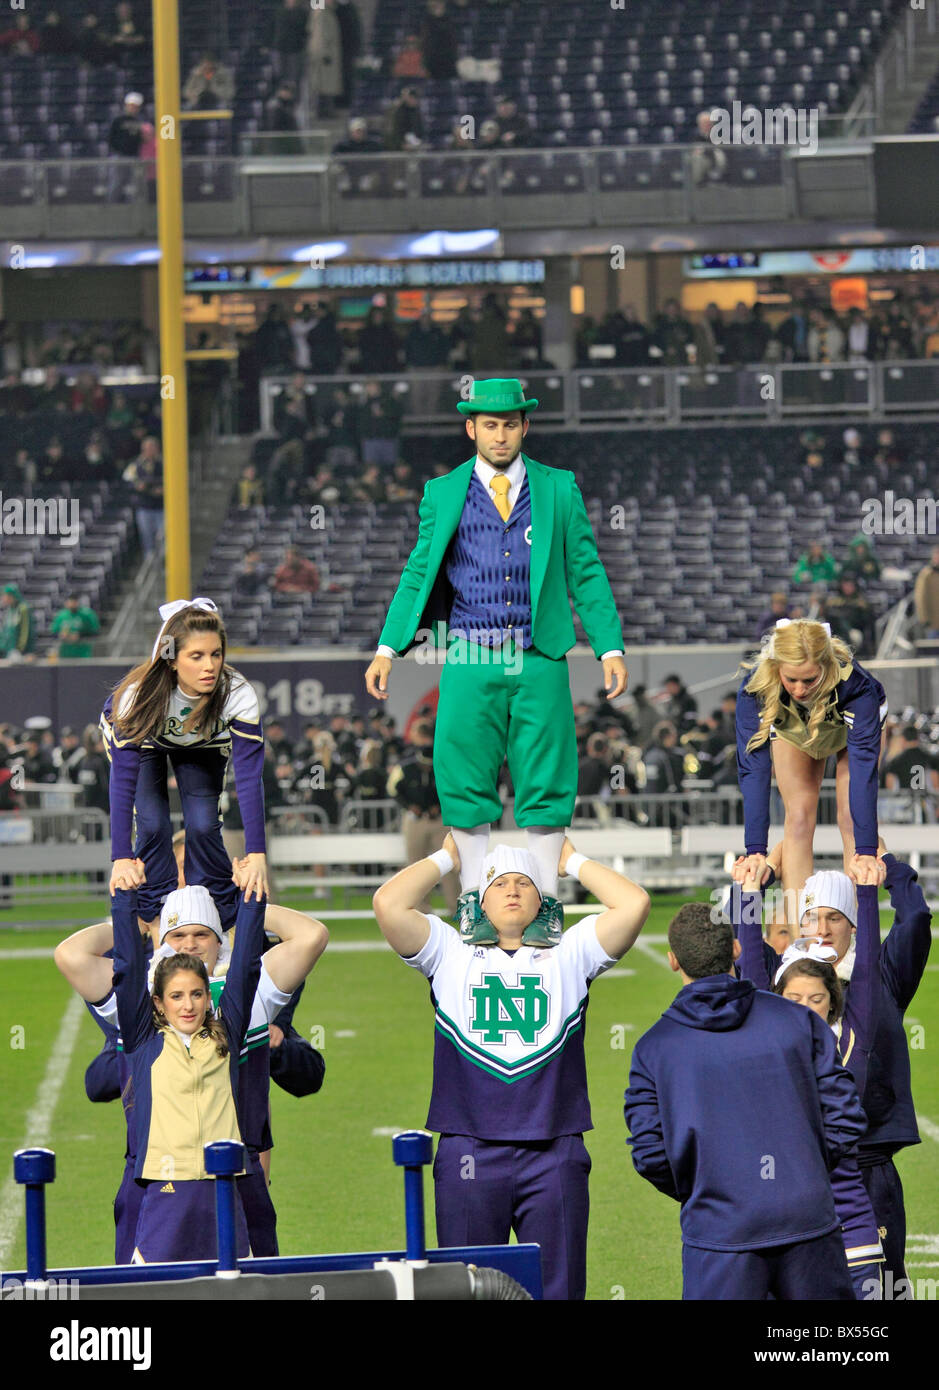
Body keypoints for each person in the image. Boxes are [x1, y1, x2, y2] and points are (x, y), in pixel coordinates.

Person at [365, 378, 627, 944]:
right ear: (471, 428)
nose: (500, 433)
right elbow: (417, 572)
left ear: (525, 427)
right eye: (489, 424)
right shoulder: (441, 492)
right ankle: (470, 903)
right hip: (467, 651)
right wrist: (389, 646)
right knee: (463, 777)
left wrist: (609, 644)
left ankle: (549, 906)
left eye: (510, 423)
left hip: (539, 653)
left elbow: (585, 568)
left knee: (547, 779)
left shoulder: (560, 488)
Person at [373, 836, 650, 1300]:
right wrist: (448, 857)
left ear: (542, 899)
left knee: (558, 1291)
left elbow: (634, 903)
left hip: (554, 1149)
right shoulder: (448, 950)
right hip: (468, 1151)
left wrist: (571, 861)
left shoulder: (571, 950)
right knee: (467, 1290)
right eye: (500, 883)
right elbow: (388, 903)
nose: (514, 889)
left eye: (525, 882)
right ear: (481, 901)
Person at [624, 899, 866, 1300]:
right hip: (807, 1222)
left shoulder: (654, 1048)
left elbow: (649, 1154)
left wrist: (709, 1188)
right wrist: (803, 1171)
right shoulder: (800, 1020)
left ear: (672, 961)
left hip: (719, 1233)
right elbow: (845, 1117)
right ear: (736, 949)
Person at [730, 845, 932, 1291]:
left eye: (834, 918)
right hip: (793, 1162)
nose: (821, 929)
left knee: (879, 1286)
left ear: (854, 924)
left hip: (867, 1161)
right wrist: (749, 888)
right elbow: (745, 960)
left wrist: (890, 869)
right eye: (810, 918)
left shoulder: (881, 973)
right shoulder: (784, 977)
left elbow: (915, 921)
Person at [101, 599, 270, 935]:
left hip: (201, 743)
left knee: (204, 824)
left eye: (216, 654)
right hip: (148, 740)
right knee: (152, 824)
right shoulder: (139, 696)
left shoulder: (237, 693)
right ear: (172, 659)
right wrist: (120, 856)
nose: (210, 666)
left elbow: (249, 780)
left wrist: (257, 855)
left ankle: (218, 917)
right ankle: (153, 918)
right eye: (196, 656)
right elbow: (122, 780)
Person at [735, 618, 887, 916]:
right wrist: (755, 850)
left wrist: (868, 852)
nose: (800, 689)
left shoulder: (858, 688)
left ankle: (855, 932)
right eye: (791, 679)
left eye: (809, 680)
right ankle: (799, 938)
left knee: (849, 820)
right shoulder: (754, 689)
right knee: (799, 818)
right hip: (795, 729)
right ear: (776, 667)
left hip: (845, 728)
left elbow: (863, 776)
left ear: (826, 668)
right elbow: (754, 771)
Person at [50, 594, 100, 659]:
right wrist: (60, 635)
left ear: (78, 602)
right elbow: (54, 633)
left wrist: (80, 635)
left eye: (74, 602)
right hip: (65, 653)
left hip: (83, 653)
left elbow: (95, 632)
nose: (72, 605)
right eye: (70, 602)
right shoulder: (61, 615)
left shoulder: (87, 614)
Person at [0, 584, 35, 661]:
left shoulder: (23, 609)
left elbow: (25, 632)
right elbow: (6, 632)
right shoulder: (10, 610)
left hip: (20, 654)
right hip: (9, 653)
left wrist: (19, 650)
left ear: (11, 596)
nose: (2, 598)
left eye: (4, 596)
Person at [913, 545, 939, 639]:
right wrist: (924, 618)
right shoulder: (926, 574)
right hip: (933, 621)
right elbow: (920, 598)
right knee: (933, 649)